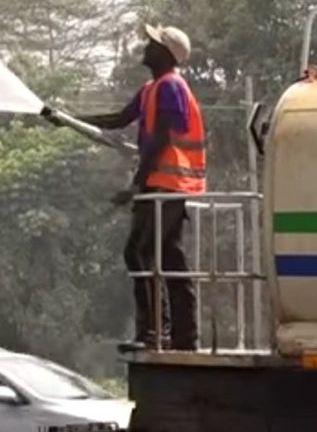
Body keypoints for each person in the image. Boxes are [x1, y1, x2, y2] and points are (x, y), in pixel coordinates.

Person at [43, 24, 204, 352]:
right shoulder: (152, 89)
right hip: (159, 185)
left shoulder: (171, 86)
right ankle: (173, 335)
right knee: (160, 255)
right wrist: (68, 118)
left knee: (145, 253)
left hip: (170, 185)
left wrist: (135, 185)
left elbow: (160, 138)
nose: (146, 46)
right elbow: (118, 119)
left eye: (153, 43)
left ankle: (160, 334)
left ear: (165, 54)